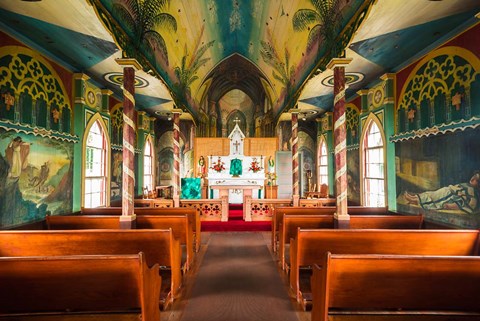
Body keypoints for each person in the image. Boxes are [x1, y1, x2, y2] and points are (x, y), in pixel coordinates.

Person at [404, 171, 480, 214]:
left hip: (449, 196)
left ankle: (416, 200)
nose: (472, 179)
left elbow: (465, 203)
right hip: (446, 191)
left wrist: (451, 206)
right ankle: (414, 198)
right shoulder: (467, 185)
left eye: (476, 179)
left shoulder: (472, 192)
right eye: (473, 176)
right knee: (431, 193)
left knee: (434, 198)